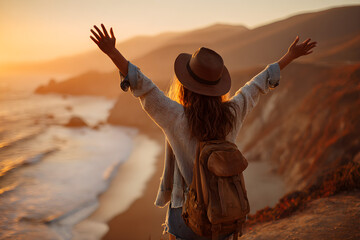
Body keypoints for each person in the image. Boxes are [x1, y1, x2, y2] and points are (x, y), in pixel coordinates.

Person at [90, 24, 317, 240]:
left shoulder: (175, 116)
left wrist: (113, 52)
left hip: (185, 213)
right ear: (218, 86)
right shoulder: (232, 113)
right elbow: (256, 86)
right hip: (223, 208)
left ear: (185, 84)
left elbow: (144, 87)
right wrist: (290, 56)